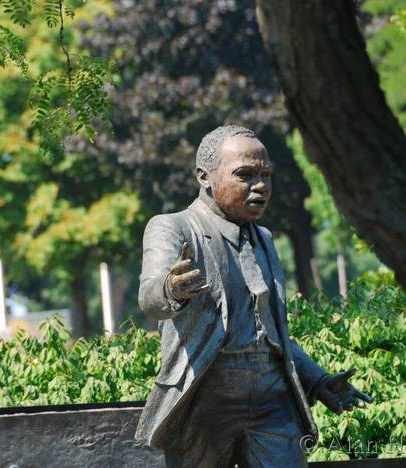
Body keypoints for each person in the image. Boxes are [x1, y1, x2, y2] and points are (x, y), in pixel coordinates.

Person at [136, 125, 372, 467]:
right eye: (245, 175)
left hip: (271, 399)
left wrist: (317, 380)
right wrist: (169, 289)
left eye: (266, 175)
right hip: (206, 399)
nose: (260, 186)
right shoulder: (174, 227)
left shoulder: (264, 238)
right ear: (204, 177)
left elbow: (272, 336)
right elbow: (148, 296)